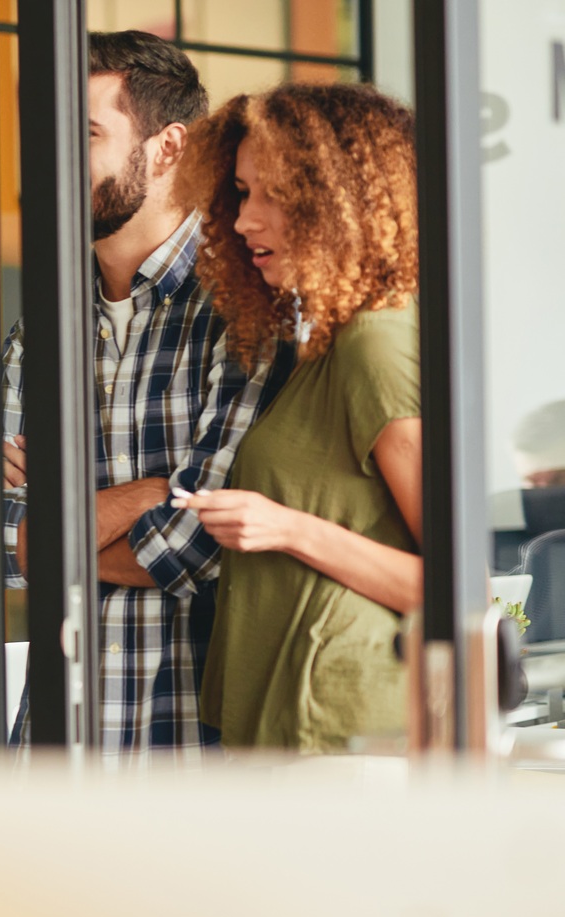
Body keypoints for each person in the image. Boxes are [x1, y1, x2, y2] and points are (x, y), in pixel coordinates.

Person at [0, 31, 294, 755]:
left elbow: (200, 539)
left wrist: (57, 527)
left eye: (87, 132)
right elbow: (3, 541)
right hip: (57, 743)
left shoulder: (243, 307)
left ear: (169, 148)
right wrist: (149, 493)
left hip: (190, 740)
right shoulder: (41, 325)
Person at [172, 83, 423, 752]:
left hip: (340, 730)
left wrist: (286, 527)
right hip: (290, 721)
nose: (246, 220)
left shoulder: (376, 343)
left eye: (272, 195)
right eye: (242, 192)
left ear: (341, 203)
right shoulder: (329, 341)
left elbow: (458, 587)